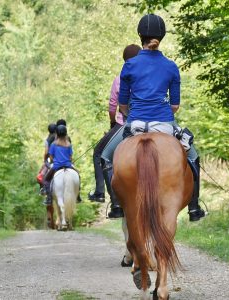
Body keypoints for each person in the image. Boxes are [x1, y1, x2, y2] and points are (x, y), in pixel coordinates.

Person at [102, 14, 206, 221]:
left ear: (140, 35)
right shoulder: (170, 66)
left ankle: (116, 205)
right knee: (193, 158)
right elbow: (175, 106)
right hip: (165, 124)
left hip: (136, 123)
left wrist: (131, 114)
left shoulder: (129, 65)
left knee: (106, 157)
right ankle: (194, 208)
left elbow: (122, 105)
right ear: (162, 36)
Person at [88, 44, 142, 219]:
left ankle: (108, 198)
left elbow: (113, 106)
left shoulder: (121, 78)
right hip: (154, 121)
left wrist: (113, 122)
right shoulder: (147, 76)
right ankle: (193, 203)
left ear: (125, 60)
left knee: (100, 154)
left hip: (125, 124)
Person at [37, 123, 56, 194]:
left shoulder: (48, 140)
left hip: (51, 160)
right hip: (64, 159)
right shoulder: (61, 138)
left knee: (41, 175)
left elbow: (46, 152)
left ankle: (43, 189)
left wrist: (45, 160)